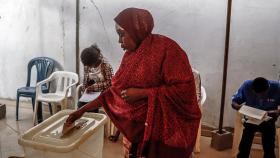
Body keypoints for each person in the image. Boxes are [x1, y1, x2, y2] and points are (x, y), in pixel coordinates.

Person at [64, 7, 201, 158]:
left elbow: (184, 91)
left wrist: (143, 93)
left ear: (137, 30)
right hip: (137, 132)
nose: (119, 41)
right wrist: (81, 111)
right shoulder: (130, 57)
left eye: (122, 35)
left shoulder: (168, 50)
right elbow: (113, 93)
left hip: (169, 133)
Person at [232, 77, 280, 158]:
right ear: (252, 89)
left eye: (263, 94)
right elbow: (234, 102)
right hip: (251, 119)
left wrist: (277, 112)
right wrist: (238, 107)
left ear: (268, 88)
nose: (260, 97)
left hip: (268, 119)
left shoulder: (277, 88)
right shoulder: (247, 85)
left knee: (269, 145)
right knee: (245, 143)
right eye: (256, 94)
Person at [77, 44, 113, 113]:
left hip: (103, 92)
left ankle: (95, 121)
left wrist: (94, 87)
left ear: (95, 61)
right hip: (91, 92)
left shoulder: (105, 65)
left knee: (91, 107)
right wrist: (85, 89)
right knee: (80, 105)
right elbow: (85, 80)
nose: (89, 68)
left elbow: (110, 83)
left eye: (90, 65)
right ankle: (85, 121)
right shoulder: (87, 64)